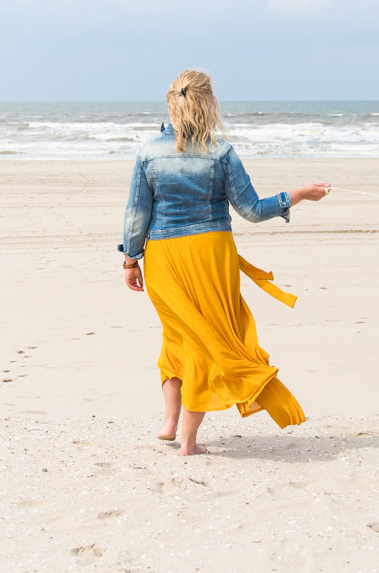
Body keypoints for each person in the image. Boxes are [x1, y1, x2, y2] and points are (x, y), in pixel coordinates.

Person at [119, 70, 329, 456]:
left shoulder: (148, 151)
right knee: (207, 338)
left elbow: (137, 213)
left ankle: (170, 422)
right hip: (211, 253)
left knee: (179, 335)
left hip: (164, 255)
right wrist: (296, 194)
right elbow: (251, 209)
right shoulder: (221, 152)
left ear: (171, 103)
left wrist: (131, 259)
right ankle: (188, 441)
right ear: (208, 103)